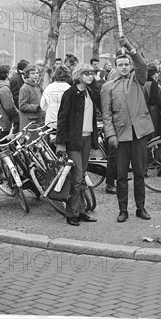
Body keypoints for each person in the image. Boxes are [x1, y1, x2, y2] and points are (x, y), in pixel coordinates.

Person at [101, 36, 154, 223]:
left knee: (139, 173)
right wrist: (110, 135)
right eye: (120, 64)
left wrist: (129, 46)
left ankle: (141, 208)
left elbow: (142, 65)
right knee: (121, 175)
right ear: (115, 66)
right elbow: (106, 114)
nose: (124, 67)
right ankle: (123, 210)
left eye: (126, 64)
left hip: (139, 134)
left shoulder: (137, 79)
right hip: (120, 136)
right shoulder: (108, 87)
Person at [55, 63, 100, 226]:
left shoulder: (89, 92)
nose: (90, 76)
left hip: (87, 138)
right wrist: (60, 142)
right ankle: (71, 213)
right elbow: (63, 118)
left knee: (82, 177)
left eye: (92, 73)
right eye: (87, 73)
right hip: (74, 140)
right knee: (77, 175)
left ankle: (81, 211)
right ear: (78, 75)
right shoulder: (71, 93)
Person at [0, 65, 19, 137]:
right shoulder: (4, 89)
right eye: (11, 72)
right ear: (7, 74)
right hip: (3, 124)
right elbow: (9, 107)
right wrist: (18, 115)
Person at [18, 64, 44, 130]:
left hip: (38, 120)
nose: (36, 75)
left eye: (37, 73)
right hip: (29, 121)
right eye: (33, 73)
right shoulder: (25, 88)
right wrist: (37, 107)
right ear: (27, 75)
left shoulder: (37, 86)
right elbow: (22, 106)